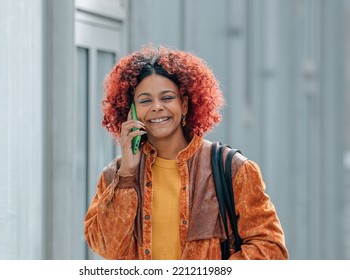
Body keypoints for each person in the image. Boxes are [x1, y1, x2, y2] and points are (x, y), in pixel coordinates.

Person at [84, 44, 288, 260]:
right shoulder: (115, 176)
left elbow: (271, 249)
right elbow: (106, 249)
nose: (156, 107)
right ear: (130, 110)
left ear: (185, 104)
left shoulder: (235, 169)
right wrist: (126, 174)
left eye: (167, 98)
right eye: (145, 101)